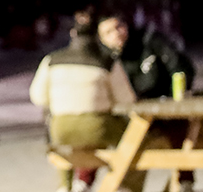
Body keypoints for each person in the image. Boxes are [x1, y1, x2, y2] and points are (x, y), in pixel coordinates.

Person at [30, 19, 143, 192]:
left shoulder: (51, 60)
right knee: (135, 143)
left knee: (66, 145)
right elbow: (126, 99)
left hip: (61, 128)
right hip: (99, 126)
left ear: (72, 35)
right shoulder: (107, 61)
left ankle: (65, 186)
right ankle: (125, 186)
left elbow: (38, 97)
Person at [98, 11, 197, 192]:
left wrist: (174, 97)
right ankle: (123, 186)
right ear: (101, 38)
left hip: (163, 108)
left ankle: (184, 182)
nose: (117, 33)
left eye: (119, 26)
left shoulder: (149, 42)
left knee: (183, 129)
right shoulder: (104, 59)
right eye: (108, 32)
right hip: (129, 116)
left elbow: (180, 67)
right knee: (131, 140)